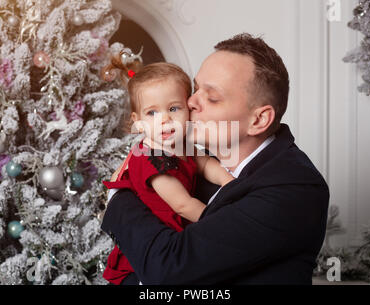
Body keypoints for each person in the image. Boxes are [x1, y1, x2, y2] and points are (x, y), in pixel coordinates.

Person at [101, 33, 330, 285]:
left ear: (258, 120)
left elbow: (170, 269)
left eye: (211, 97)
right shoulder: (192, 160)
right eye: (195, 88)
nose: (190, 102)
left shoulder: (293, 188)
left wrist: (118, 197)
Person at [101, 62, 234, 285]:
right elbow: (182, 204)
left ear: (188, 110)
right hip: (146, 257)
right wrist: (221, 222)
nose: (164, 120)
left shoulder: (181, 144)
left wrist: (229, 181)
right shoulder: (151, 158)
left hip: (177, 233)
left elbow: (205, 164)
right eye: (152, 113)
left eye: (173, 108)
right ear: (139, 123)